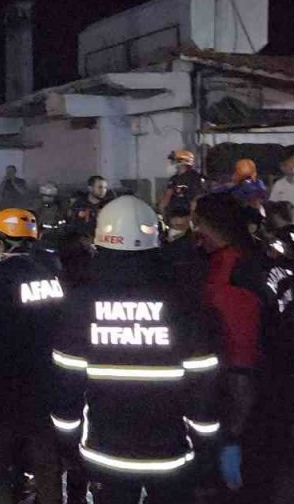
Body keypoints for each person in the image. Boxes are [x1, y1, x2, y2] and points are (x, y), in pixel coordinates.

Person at [51, 196, 220, 504]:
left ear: (100, 243)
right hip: (171, 455)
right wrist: (206, 447)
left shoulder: (79, 304)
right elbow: (204, 388)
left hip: (105, 456)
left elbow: (67, 388)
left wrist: (69, 446)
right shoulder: (186, 303)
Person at [0, 208, 70, 504]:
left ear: (0, 240)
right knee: (46, 460)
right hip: (50, 381)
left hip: (9, 386)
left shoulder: (1, 275)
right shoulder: (52, 267)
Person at [193, 192, 278, 502]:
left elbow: (243, 363)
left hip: (241, 398)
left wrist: (233, 436)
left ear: (204, 223)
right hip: (248, 389)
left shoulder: (234, 270)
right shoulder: (253, 258)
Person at [158, 149, 207, 216]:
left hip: (188, 215)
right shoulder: (174, 179)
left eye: (173, 161)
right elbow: (165, 200)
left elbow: (199, 198)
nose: (171, 164)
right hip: (176, 214)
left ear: (182, 163)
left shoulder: (195, 178)